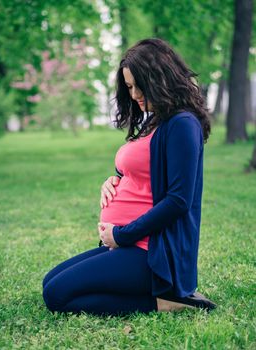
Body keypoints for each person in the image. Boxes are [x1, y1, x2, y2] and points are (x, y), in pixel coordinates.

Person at [42, 38, 217, 316]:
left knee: (57, 296)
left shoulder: (182, 124)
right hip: (130, 245)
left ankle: (166, 302)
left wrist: (121, 235)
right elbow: (140, 171)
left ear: (159, 78)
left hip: (153, 254)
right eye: (129, 87)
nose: (134, 94)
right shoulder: (154, 120)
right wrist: (114, 181)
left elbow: (178, 200)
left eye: (138, 85)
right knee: (49, 281)